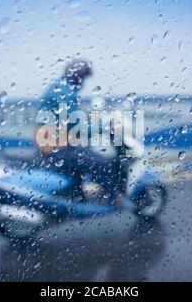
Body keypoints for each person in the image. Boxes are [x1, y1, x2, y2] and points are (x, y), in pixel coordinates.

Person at [34, 58, 129, 206]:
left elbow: (70, 118)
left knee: (87, 154)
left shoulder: (61, 87)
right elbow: (76, 127)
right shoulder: (64, 92)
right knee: (104, 163)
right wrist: (105, 127)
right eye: (83, 77)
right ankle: (114, 199)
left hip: (54, 143)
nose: (83, 82)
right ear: (77, 77)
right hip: (56, 148)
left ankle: (78, 196)